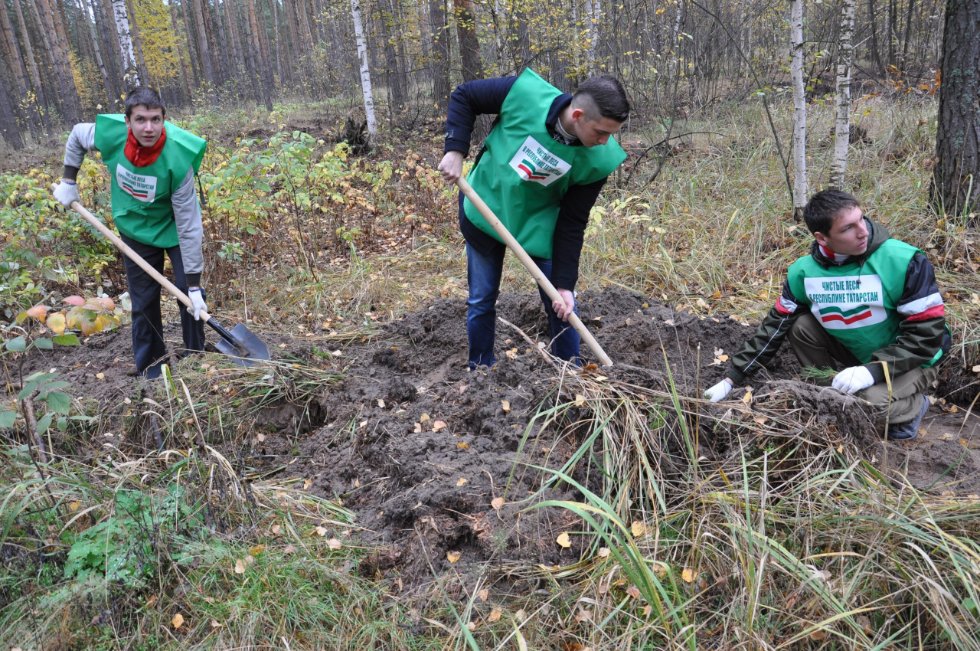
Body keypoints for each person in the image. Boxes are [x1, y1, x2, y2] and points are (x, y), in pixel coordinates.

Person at [704, 189, 950, 440]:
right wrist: (732, 379)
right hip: (859, 354)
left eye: (861, 219)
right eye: (847, 228)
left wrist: (872, 371)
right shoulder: (804, 273)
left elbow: (926, 336)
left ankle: (914, 406)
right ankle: (827, 394)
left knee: (861, 407)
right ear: (822, 238)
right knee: (800, 325)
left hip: (916, 359)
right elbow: (773, 327)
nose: (863, 231)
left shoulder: (903, 261)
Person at [438, 69, 630, 369]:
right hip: (486, 203)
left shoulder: (599, 159)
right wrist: (455, 150)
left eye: (611, 134)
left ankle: (571, 375)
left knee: (564, 306)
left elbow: (572, 222)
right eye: (601, 132)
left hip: (538, 224)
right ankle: (480, 372)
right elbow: (465, 95)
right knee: (482, 299)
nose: (605, 141)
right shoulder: (525, 95)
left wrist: (565, 284)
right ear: (578, 115)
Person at [53, 87, 209, 380]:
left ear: (164, 119)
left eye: (155, 119)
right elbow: (76, 135)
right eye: (140, 120)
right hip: (135, 228)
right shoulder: (110, 134)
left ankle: (195, 359)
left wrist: (194, 285)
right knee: (144, 300)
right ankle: (152, 367)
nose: (148, 127)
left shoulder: (178, 156)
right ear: (127, 122)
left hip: (173, 228)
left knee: (189, 299)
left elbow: (189, 224)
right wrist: (68, 181)